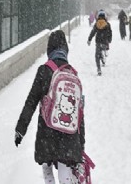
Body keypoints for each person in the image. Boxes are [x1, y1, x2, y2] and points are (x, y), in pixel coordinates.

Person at [14, 30, 85, 184]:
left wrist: (20, 129)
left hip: (47, 133)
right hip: (69, 135)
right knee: (65, 168)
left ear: (49, 49)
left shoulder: (44, 71)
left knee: (47, 167)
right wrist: (81, 143)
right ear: (65, 49)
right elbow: (79, 113)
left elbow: (31, 101)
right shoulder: (72, 74)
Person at [87, 9, 112, 76]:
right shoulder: (107, 24)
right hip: (105, 41)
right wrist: (109, 40)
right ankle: (104, 57)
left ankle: (99, 69)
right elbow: (110, 33)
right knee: (102, 50)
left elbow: (93, 32)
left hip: (98, 41)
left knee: (97, 55)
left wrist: (89, 39)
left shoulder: (96, 24)